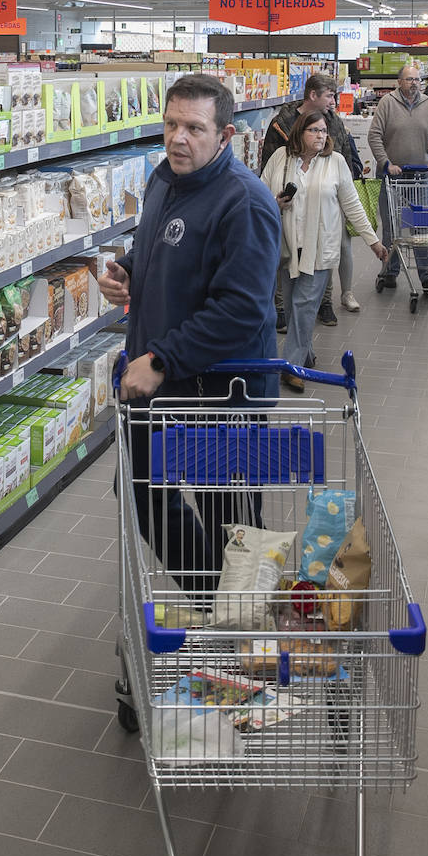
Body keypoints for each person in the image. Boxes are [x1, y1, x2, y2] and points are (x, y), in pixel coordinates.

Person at [99, 73, 281, 591]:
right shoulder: (165, 179)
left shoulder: (245, 203)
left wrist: (160, 360)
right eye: (171, 124)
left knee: (230, 519)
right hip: (162, 387)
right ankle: (212, 600)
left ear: (225, 135)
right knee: (144, 495)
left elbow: (241, 310)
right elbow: (161, 245)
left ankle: (241, 614)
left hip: (220, 395)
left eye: (195, 128)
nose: (178, 138)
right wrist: (129, 270)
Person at [263, 111, 387, 392]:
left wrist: (373, 241)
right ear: (300, 132)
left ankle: (292, 367)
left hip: (320, 249)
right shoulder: (281, 158)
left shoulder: (336, 162)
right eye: (314, 130)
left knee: (304, 306)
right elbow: (260, 193)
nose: (321, 136)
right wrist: (275, 203)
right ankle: (305, 353)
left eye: (323, 131)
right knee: (293, 309)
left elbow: (352, 204)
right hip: (287, 247)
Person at [260, 72, 366, 319]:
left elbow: (344, 156)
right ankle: (282, 307)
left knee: (326, 250)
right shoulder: (281, 123)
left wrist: (344, 190)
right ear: (312, 95)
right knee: (287, 252)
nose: (333, 102)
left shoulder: (334, 122)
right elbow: (270, 163)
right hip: (291, 203)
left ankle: (325, 302)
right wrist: (274, 200)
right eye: (329, 96)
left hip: (325, 196)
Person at [368, 63, 428, 288]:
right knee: (392, 227)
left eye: (417, 79)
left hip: (419, 177)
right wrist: (386, 163)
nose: (414, 83)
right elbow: (374, 136)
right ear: (399, 82)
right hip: (390, 177)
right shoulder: (387, 103)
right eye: (409, 79)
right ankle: (389, 271)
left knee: (421, 225)